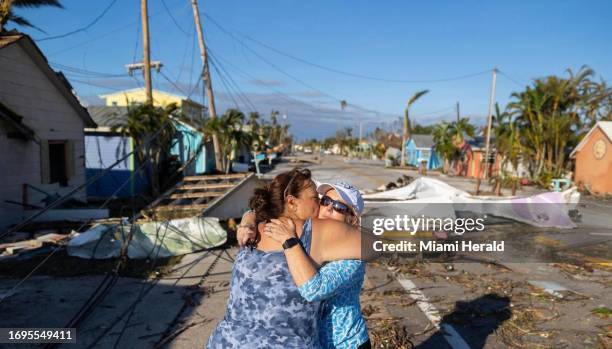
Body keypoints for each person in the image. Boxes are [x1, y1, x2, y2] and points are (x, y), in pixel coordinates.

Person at [207, 168, 367, 349]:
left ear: (353, 220)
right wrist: (248, 218)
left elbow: (313, 289)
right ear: (291, 202)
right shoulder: (265, 229)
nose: (328, 207)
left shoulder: (349, 258)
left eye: (339, 207)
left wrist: (289, 242)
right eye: (323, 200)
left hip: (345, 343)